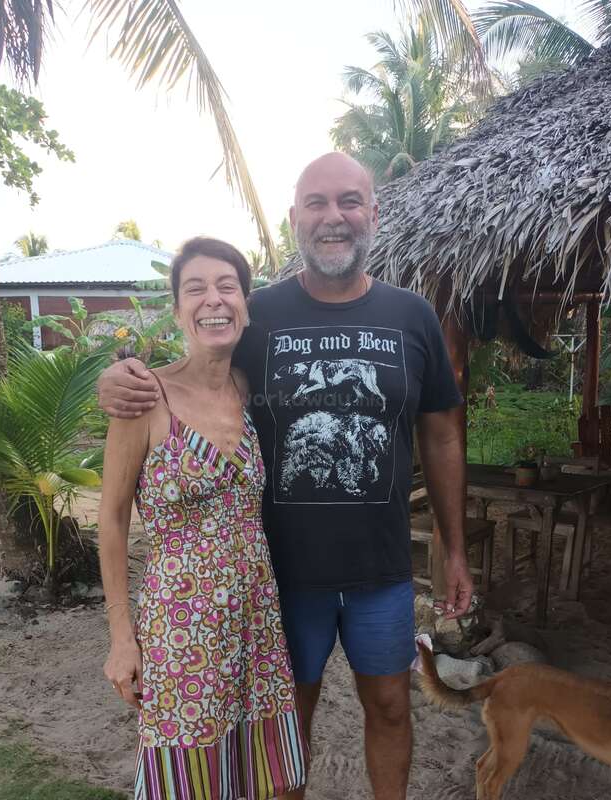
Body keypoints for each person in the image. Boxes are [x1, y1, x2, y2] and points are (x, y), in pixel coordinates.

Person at [99, 153, 472, 800]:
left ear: (373, 214)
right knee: (282, 727)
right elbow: (193, 366)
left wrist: (455, 547)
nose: (335, 217)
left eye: (350, 201)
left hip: (382, 572)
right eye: (318, 203)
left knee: (389, 707)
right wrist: (118, 379)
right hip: (281, 578)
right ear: (295, 217)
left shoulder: (412, 316)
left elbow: (441, 432)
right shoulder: (257, 313)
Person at [99, 236, 307, 800]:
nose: (212, 300)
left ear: (244, 303)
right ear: (176, 310)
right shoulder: (146, 397)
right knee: (187, 781)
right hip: (181, 626)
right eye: (195, 288)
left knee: (267, 776)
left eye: (226, 286)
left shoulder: (248, 386)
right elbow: (112, 521)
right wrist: (122, 638)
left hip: (257, 616)